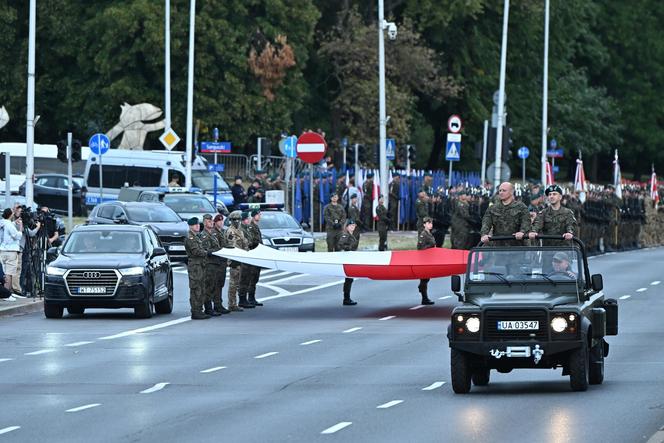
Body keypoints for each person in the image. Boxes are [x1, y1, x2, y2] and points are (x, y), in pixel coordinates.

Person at [184, 217, 209, 320]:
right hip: (195, 266)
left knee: (202, 288)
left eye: (198, 224)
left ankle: (199, 309)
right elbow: (196, 252)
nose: (198, 226)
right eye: (195, 225)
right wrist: (208, 253)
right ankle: (195, 311)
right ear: (190, 226)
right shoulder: (190, 238)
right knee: (196, 289)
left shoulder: (197, 237)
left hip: (200, 265)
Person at [224, 211, 248, 312]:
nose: (237, 221)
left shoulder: (240, 231)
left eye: (238, 219)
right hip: (234, 259)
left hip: (241, 258)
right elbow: (231, 245)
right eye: (234, 220)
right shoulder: (230, 231)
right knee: (233, 283)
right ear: (231, 220)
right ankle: (232, 304)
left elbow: (244, 243)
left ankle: (235, 303)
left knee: (237, 283)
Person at [199, 214, 222, 317]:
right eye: (208, 221)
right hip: (209, 264)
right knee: (208, 287)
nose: (211, 222)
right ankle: (208, 308)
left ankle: (212, 306)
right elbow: (206, 250)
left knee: (213, 286)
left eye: (211, 221)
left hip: (215, 263)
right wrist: (218, 251)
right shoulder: (204, 235)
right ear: (204, 222)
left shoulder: (212, 234)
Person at [244, 208, 264, 307]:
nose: (260, 216)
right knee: (252, 277)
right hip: (254, 255)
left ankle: (252, 297)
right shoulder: (251, 227)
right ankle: (250, 298)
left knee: (255, 277)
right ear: (254, 215)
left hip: (258, 255)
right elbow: (252, 242)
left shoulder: (256, 227)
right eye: (259, 214)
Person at [0, 208, 23, 292]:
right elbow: (17, 236)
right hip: (10, 251)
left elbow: (7, 228)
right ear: (10, 215)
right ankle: (7, 293)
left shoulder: (2, 223)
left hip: (2, 250)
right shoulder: (9, 224)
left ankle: (4, 292)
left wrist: (14, 222)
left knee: (4, 272)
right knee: (9, 273)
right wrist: (20, 228)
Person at [337, 220, 359, 306]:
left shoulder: (351, 235)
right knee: (348, 279)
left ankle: (347, 298)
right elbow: (340, 244)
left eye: (354, 225)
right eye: (351, 225)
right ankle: (346, 298)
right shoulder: (345, 234)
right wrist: (348, 248)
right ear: (347, 227)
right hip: (347, 259)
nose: (353, 227)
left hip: (351, 259)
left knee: (349, 279)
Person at [212, 214, 230, 313]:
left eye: (222, 221)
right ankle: (216, 304)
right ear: (215, 222)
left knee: (220, 283)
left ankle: (219, 303)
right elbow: (219, 247)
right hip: (217, 262)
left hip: (223, 262)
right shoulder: (214, 233)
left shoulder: (223, 232)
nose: (221, 222)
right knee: (216, 284)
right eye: (219, 221)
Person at [416, 217, 436, 305]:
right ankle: (424, 298)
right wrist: (430, 249)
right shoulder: (423, 234)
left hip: (429, 259)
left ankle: (424, 295)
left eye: (431, 223)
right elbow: (420, 248)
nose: (430, 225)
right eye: (428, 223)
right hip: (424, 260)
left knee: (426, 279)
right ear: (424, 224)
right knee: (424, 279)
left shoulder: (430, 234)